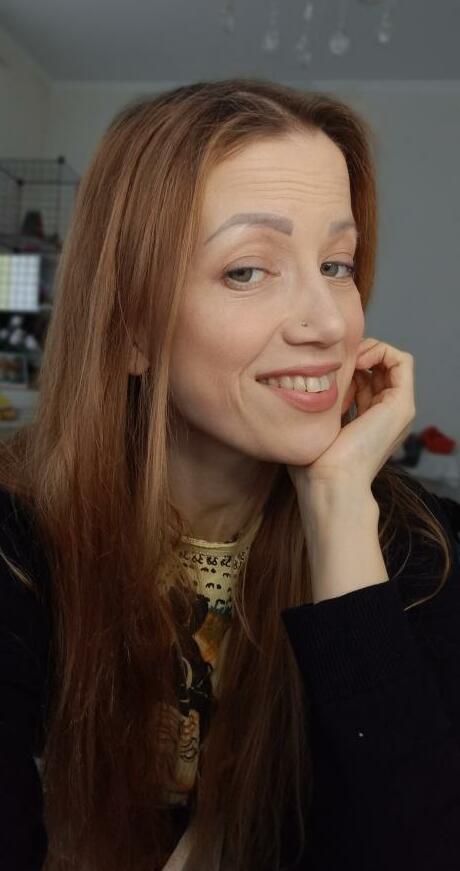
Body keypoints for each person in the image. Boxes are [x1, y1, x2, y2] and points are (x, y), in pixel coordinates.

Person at [0, 77, 459, 871]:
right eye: (248, 271)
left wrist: (339, 507)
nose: (328, 323)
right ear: (133, 327)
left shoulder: (421, 550)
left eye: (338, 264)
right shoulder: (18, 539)